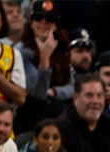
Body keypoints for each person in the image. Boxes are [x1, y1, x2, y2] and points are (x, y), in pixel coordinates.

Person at [14, 0, 71, 130]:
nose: (43, 23)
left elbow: (73, 86)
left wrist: (55, 92)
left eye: (50, 19)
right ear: (31, 23)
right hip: (29, 118)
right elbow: (38, 92)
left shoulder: (63, 48)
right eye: (38, 18)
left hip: (59, 115)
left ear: (56, 25)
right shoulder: (20, 51)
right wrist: (45, 58)